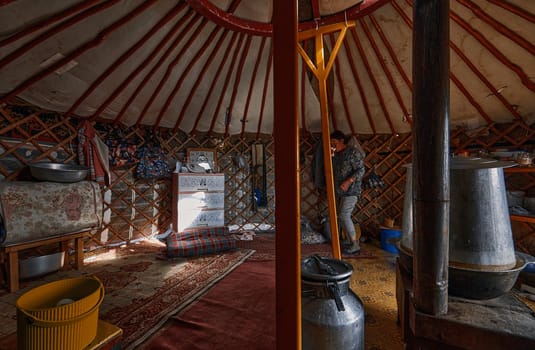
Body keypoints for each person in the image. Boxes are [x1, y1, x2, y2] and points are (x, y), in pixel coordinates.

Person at [330, 130, 365, 254]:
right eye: (331, 143)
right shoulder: (336, 155)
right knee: (341, 216)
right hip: (340, 191)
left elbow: (361, 170)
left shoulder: (352, 153)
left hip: (352, 190)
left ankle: (355, 244)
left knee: (344, 215)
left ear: (342, 141)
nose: (332, 145)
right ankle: (349, 240)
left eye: (334, 142)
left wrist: (348, 181)